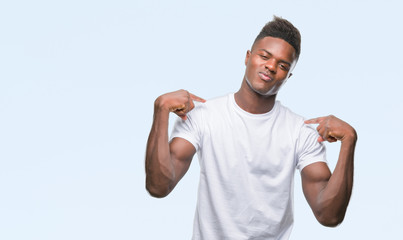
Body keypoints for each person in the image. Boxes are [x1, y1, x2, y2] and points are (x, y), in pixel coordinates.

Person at [145, 16, 357, 240]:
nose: (271, 66)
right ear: (248, 57)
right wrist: (161, 111)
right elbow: (158, 187)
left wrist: (349, 142)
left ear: (288, 76)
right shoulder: (204, 117)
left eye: (283, 65)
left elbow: (329, 216)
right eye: (264, 56)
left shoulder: (300, 133)